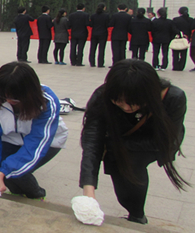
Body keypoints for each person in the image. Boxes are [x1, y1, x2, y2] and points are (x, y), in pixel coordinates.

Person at [79, 59, 188, 224]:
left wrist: (118, 145)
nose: (126, 107)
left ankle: (137, 216)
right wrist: (88, 191)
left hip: (156, 140)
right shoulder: (103, 95)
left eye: (134, 102)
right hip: (119, 140)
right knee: (119, 174)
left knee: (131, 163)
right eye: (118, 101)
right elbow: (92, 141)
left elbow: (166, 140)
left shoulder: (173, 97)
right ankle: (135, 212)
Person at [0, 62, 68, 199]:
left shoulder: (47, 101)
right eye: (5, 96)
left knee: (16, 172)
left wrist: (4, 172)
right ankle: (17, 194)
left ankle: (36, 196)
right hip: (11, 138)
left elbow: (36, 142)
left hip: (47, 141)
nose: (9, 100)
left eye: (15, 98)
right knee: (0, 167)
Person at [88, 3, 109, 68]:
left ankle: (92, 62)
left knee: (92, 48)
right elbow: (108, 24)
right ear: (104, 8)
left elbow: (91, 24)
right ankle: (100, 63)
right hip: (103, 33)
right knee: (101, 49)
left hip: (94, 33)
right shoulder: (106, 16)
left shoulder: (93, 15)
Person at [172, 6, 192, 71]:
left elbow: (173, 28)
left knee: (175, 53)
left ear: (179, 12)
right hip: (186, 38)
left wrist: (179, 33)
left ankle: (176, 66)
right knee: (183, 54)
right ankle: (181, 67)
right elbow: (191, 29)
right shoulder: (190, 20)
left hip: (177, 38)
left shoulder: (176, 19)